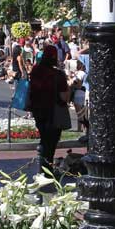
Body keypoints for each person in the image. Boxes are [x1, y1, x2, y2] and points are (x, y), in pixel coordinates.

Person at [28, 44, 70, 177]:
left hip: (38, 110)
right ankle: (47, 170)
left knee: (44, 139)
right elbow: (64, 97)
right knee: (51, 142)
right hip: (53, 112)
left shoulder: (35, 71)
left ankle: (43, 168)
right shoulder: (58, 74)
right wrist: (70, 88)